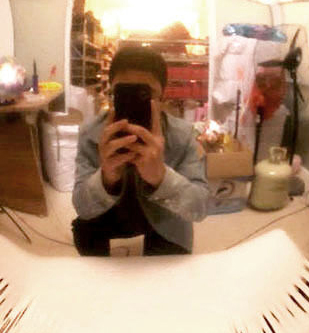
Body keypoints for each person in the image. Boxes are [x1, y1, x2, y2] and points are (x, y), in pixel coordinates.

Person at [71, 46, 209, 256]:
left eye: (144, 93)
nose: (133, 101)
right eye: (123, 92)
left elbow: (200, 208)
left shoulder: (182, 135)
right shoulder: (91, 134)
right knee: (85, 237)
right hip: (109, 213)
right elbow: (82, 207)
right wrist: (106, 178)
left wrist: (161, 177)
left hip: (165, 218)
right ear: (112, 93)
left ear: (163, 95)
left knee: (168, 270)